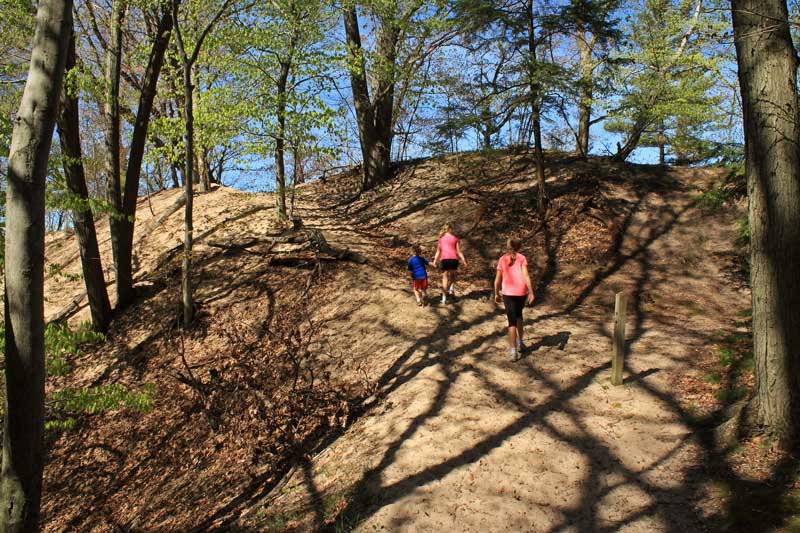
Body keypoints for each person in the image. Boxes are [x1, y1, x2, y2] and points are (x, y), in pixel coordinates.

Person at [494, 238, 535, 361]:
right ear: (519, 247)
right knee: (519, 316)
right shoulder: (522, 258)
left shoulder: (502, 259)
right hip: (521, 291)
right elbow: (526, 275)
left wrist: (496, 293)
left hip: (508, 292)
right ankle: (520, 342)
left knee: (511, 322)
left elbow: (497, 280)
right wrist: (531, 292)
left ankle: (513, 351)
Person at [433, 222, 468, 304]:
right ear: (451, 229)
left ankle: (444, 298)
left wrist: (435, 260)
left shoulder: (441, 239)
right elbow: (459, 252)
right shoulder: (455, 239)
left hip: (444, 260)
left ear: (445, 230)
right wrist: (464, 261)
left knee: (445, 278)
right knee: (453, 277)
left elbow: (438, 252)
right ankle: (449, 289)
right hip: (453, 259)